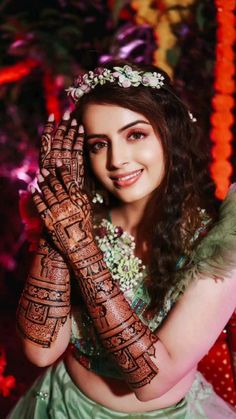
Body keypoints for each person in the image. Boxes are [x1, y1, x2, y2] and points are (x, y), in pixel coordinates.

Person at [8, 61, 236, 418]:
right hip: (61, 405)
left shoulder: (219, 240)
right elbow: (40, 351)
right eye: (99, 144)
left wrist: (80, 247)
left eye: (135, 135)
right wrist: (61, 215)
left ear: (169, 134)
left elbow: (151, 382)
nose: (116, 160)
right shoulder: (78, 214)